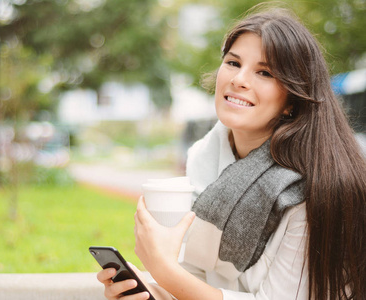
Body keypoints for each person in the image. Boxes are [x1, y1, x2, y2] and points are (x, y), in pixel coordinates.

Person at [97, 5, 366, 300]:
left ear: (292, 99)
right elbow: (197, 277)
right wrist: (152, 292)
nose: (239, 80)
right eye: (233, 63)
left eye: (264, 72)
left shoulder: (314, 186)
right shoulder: (204, 157)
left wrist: (163, 270)